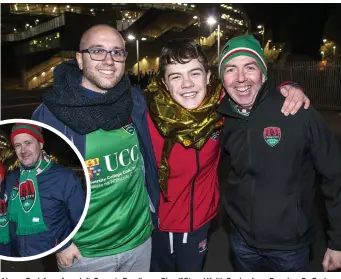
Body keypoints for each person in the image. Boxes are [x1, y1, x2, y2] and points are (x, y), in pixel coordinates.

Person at [145, 38, 310, 272]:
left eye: (194, 73)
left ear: (209, 77)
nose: (187, 84)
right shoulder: (146, 116)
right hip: (156, 227)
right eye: (176, 76)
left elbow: (254, 91)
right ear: (164, 82)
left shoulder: (221, 107)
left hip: (199, 224)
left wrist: (291, 87)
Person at [32, 24, 160, 272]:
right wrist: (61, 242)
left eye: (117, 52)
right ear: (80, 59)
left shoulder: (133, 100)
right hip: (85, 253)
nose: (109, 60)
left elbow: (148, 159)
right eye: (98, 51)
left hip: (139, 241)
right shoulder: (52, 114)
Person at [216, 35, 341, 272]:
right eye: (231, 69)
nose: (241, 78)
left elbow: (335, 177)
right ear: (222, 79)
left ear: (263, 73)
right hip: (241, 242)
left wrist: (338, 242)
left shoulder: (298, 112)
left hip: (289, 248)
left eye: (250, 67)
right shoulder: (223, 118)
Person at [0, 123, 85, 257]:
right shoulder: (12, 178)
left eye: (28, 143)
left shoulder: (65, 178)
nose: (23, 150)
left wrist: (67, 247)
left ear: (40, 144)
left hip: (53, 258)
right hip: (17, 257)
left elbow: (80, 221)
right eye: (18, 145)